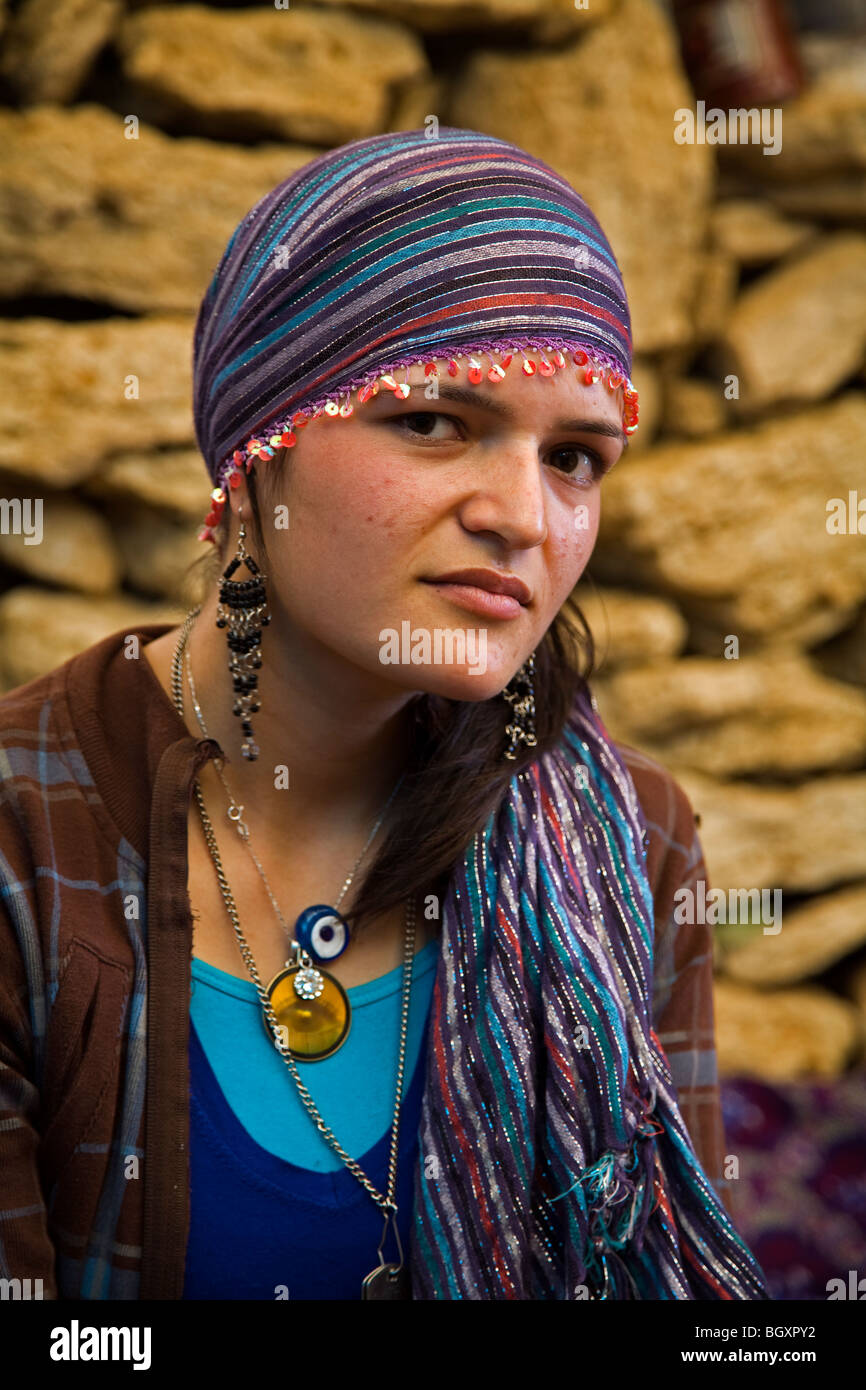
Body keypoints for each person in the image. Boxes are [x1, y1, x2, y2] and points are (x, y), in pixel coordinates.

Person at [0, 126, 769, 1300]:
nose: (522, 515)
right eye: (431, 422)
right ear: (259, 452)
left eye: (573, 457)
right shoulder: (23, 838)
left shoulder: (624, 842)